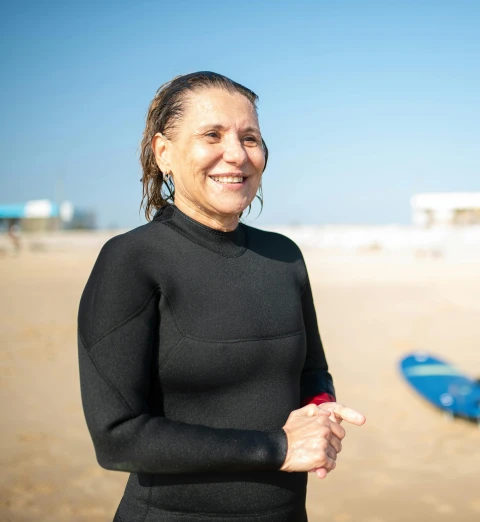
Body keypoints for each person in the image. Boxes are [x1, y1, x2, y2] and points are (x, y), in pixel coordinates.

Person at [77, 71, 365, 522]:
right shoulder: (131, 260)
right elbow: (118, 437)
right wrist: (278, 447)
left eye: (250, 138)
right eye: (212, 135)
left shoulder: (284, 256)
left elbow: (311, 370)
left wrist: (320, 410)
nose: (236, 155)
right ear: (163, 152)